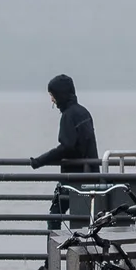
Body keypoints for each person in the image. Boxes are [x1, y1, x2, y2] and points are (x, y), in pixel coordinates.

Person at [32, 73, 104, 240]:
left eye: (52, 95)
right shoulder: (83, 112)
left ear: (60, 94)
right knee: (86, 220)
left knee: (54, 216)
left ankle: (51, 262)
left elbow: (67, 147)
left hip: (73, 178)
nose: (52, 100)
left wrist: (40, 161)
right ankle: (83, 259)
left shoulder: (68, 116)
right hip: (90, 174)